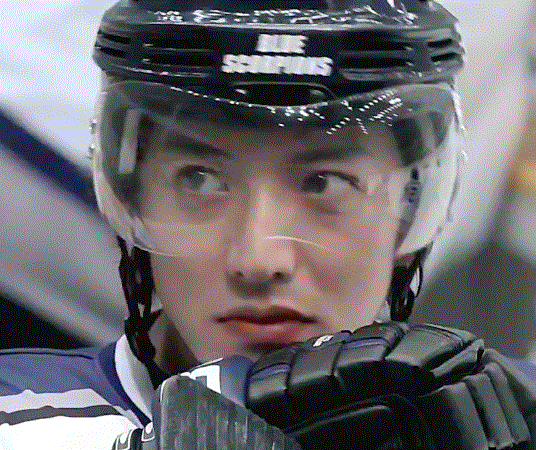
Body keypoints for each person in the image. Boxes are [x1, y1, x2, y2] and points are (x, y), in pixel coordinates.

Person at [0, 0, 535, 449]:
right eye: (200, 179)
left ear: (412, 207)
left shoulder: (520, 414)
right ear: (132, 195)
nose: (259, 260)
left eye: (326, 182)